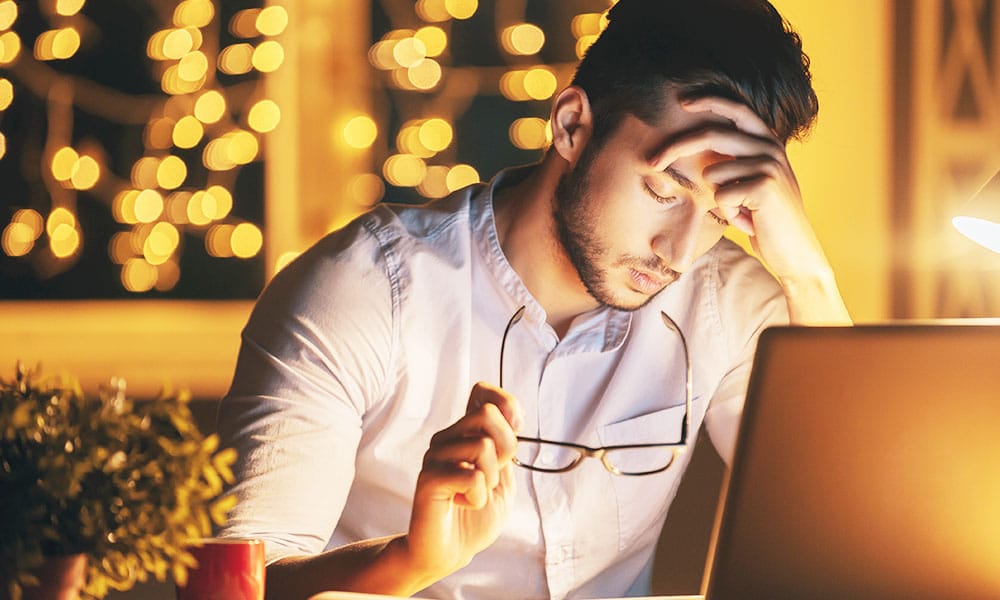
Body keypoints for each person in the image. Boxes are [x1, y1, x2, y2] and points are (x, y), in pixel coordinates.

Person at [216, 0, 852, 598]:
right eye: (665, 190)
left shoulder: (729, 299)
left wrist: (810, 277)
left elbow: (847, 532)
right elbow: (237, 586)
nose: (680, 252)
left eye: (720, 212)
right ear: (572, 125)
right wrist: (411, 560)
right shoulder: (362, 288)